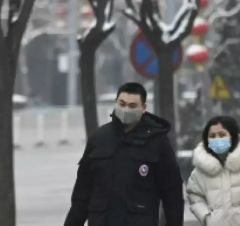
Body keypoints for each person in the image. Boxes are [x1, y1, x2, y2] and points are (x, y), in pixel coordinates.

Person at [64, 82, 184, 226]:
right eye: (122, 104)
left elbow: (172, 194)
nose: (126, 109)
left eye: (132, 106)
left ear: (144, 108)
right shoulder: (99, 138)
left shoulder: (157, 142)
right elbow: (82, 194)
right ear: (116, 103)